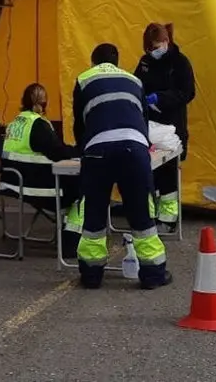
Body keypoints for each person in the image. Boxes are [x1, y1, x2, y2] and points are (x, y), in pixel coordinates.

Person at [72, 43, 171, 290]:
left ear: (93, 62)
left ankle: (92, 276)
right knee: (141, 215)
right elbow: (144, 120)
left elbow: (79, 123)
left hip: (98, 152)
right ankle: (153, 274)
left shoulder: (84, 80)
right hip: (134, 150)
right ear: (117, 62)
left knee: (93, 215)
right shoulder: (134, 80)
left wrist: (83, 152)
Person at [0, 83, 84, 258]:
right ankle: (70, 242)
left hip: (11, 182)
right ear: (45, 103)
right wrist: (79, 151)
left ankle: (67, 228)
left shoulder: (15, 122)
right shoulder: (38, 125)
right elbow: (58, 152)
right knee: (85, 190)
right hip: (37, 187)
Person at [133, 23, 195, 230]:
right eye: (149, 49)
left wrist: (161, 98)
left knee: (168, 170)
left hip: (172, 125)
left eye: (156, 47)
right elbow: (137, 84)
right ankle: (149, 215)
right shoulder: (145, 62)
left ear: (166, 42)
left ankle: (168, 219)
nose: (153, 52)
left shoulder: (180, 62)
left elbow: (187, 92)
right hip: (149, 124)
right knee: (148, 170)